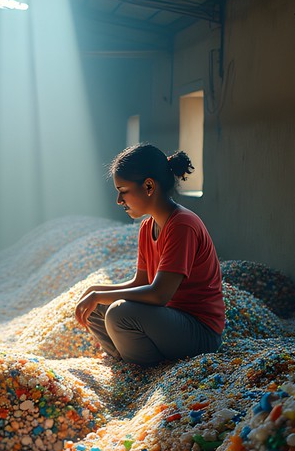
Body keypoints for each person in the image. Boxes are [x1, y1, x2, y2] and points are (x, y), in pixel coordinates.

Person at [74, 143, 225, 366]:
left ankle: (144, 368)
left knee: (118, 313)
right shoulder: (147, 227)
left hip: (199, 332)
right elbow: (141, 282)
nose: (119, 201)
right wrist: (96, 292)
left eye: (123, 191)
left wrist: (100, 296)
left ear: (148, 186)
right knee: (96, 307)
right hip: (167, 319)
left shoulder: (182, 224)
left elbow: (158, 294)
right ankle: (127, 360)